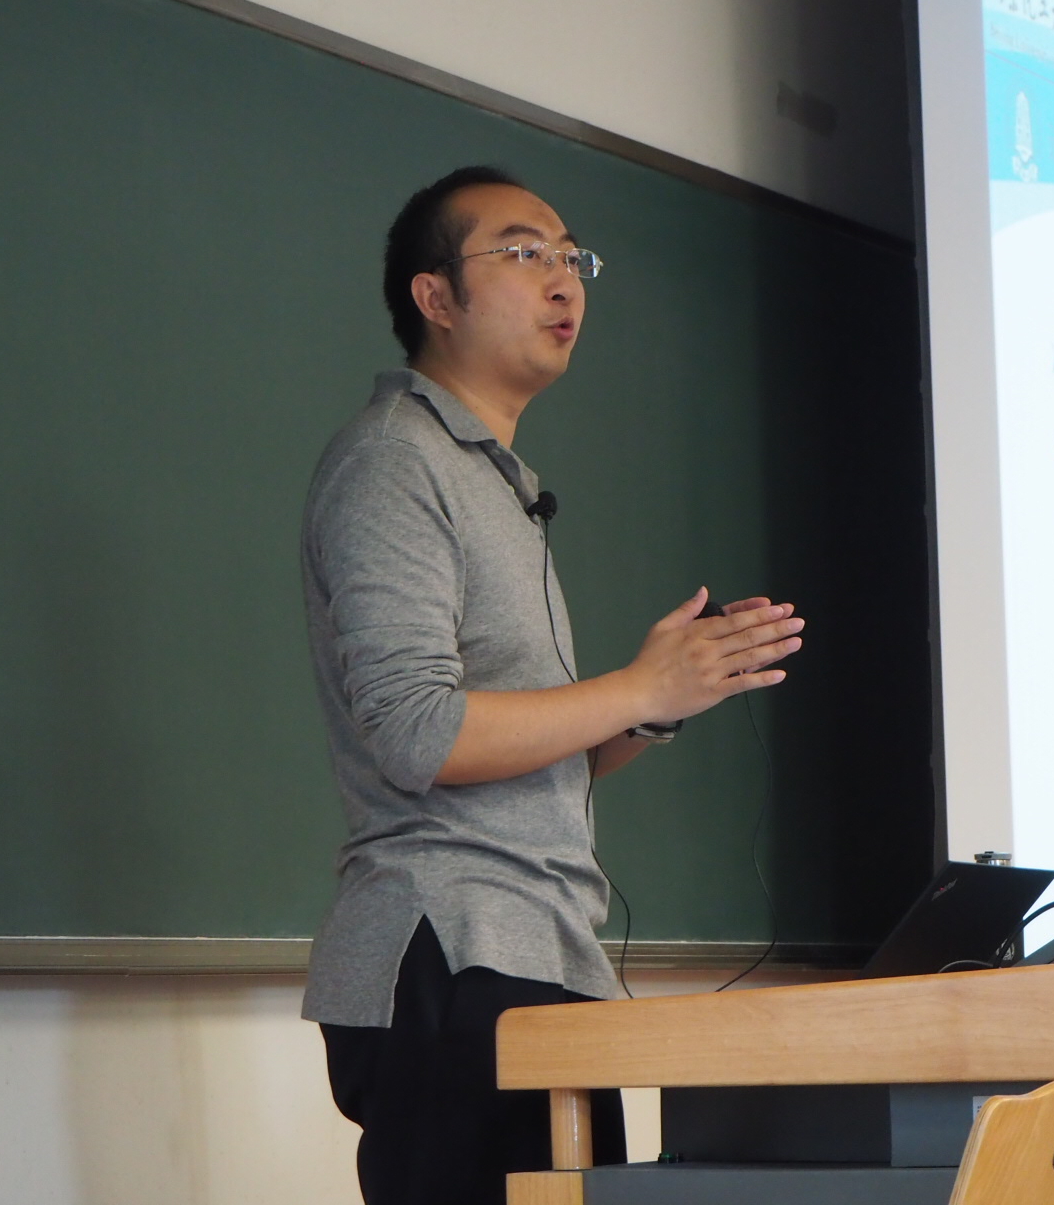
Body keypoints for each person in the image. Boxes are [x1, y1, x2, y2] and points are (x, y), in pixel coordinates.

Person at [300, 165, 805, 1205]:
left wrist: (663, 700)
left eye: (572, 257)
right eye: (523, 253)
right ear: (434, 297)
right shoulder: (395, 462)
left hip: (542, 957)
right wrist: (632, 687)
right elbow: (419, 735)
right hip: (453, 954)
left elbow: (526, 759)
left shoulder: (495, 482)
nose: (564, 280)